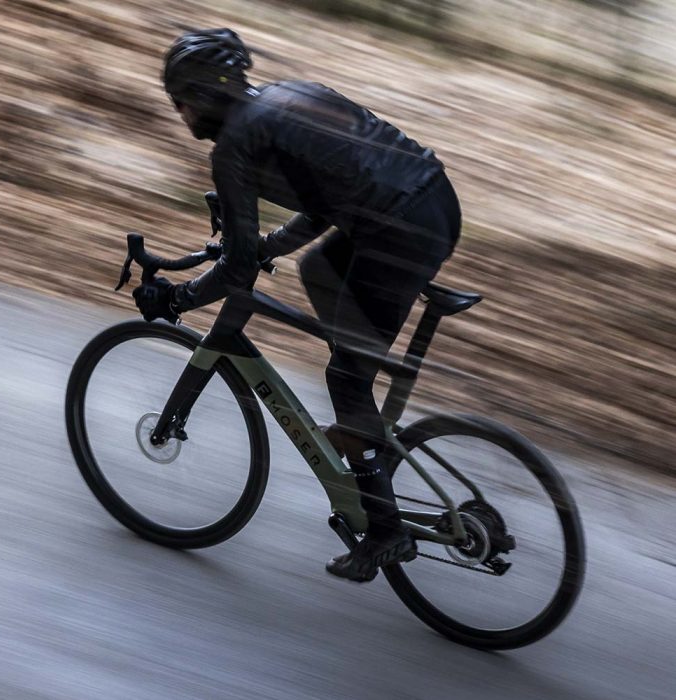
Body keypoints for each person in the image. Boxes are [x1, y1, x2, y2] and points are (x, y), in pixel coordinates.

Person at [134, 28, 462, 582]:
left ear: (204, 94)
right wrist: (268, 246)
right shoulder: (286, 97)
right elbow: (326, 200)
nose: (180, 113)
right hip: (432, 204)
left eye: (180, 100)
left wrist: (177, 297)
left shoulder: (234, 146)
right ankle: (361, 421)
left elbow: (236, 271)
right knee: (318, 271)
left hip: (398, 231)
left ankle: (386, 531)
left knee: (347, 378)